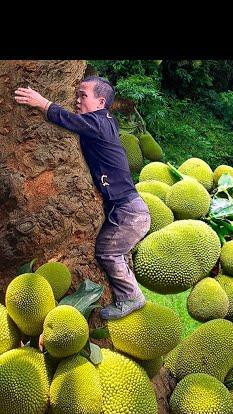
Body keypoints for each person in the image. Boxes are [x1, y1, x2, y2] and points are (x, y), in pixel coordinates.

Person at [14, 76, 151, 320]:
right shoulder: (107, 122)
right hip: (127, 208)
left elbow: (71, 121)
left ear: (100, 102)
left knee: (108, 251)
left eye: (82, 95)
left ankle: (132, 297)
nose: (77, 100)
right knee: (112, 250)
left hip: (129, 212)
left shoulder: (97, 124)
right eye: (76, 95)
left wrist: (42, 103)